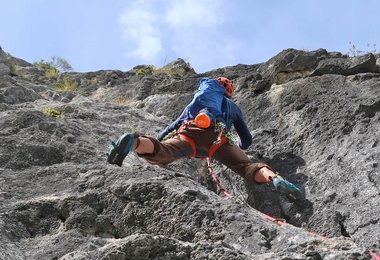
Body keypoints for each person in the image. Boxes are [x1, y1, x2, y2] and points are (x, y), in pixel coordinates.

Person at [107, 77, 302, 198]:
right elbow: (247, 139)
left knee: (164, 152)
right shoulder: (233, 108)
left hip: (190, 133)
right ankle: (274, 179)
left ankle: (136, 141)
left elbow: (173, 125)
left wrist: (159, 138)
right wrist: (241, 147)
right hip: (218, 140)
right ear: (229, 93)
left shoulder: (197, 101)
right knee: (247, 167)